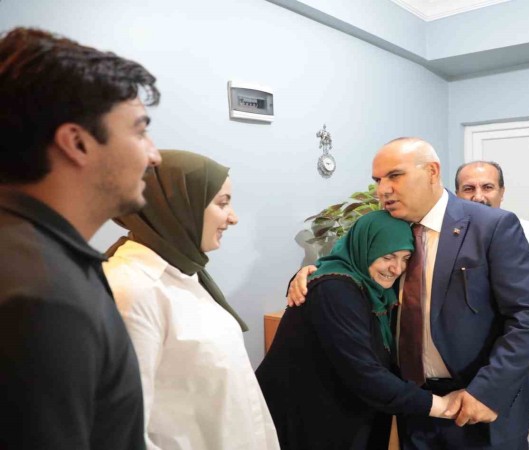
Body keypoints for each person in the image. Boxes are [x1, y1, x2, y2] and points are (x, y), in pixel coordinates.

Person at [289, 137, 529, 449]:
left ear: (432, 171)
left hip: (480, 400)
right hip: (415, 403)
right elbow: (344, 264)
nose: (383, 190)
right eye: (378, 180)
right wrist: (307, 274)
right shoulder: (384, 226)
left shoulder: (491, 226)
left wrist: (488, 391)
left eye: (394, 176)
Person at [0, 27, 161, 450]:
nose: (154, 154)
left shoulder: (36, 258)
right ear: (77, 143)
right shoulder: (43, 297)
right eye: (140, 131)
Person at [103, 150, 279, 450]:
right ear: (178, 206)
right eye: (222, 203)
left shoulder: (186, 273)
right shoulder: (133, 288)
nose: (233, 218)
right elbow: (123, 430)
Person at [257, 210, 453, 450]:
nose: (396, 268)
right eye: (388, 256)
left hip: (336, 412)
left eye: (405, 258)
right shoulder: (335, 290)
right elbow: (363, 372)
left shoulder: (378, 291)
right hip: (305, 417)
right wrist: (442, 406)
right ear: (365, 248)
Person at [455, 161, 529, 388]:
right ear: (457, 194)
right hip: (460, 357)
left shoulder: (528, 232)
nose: (478, 196)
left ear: (502, 192)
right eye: (468, 188)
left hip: (512, 352)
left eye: (487, 187)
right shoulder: (447, 236)